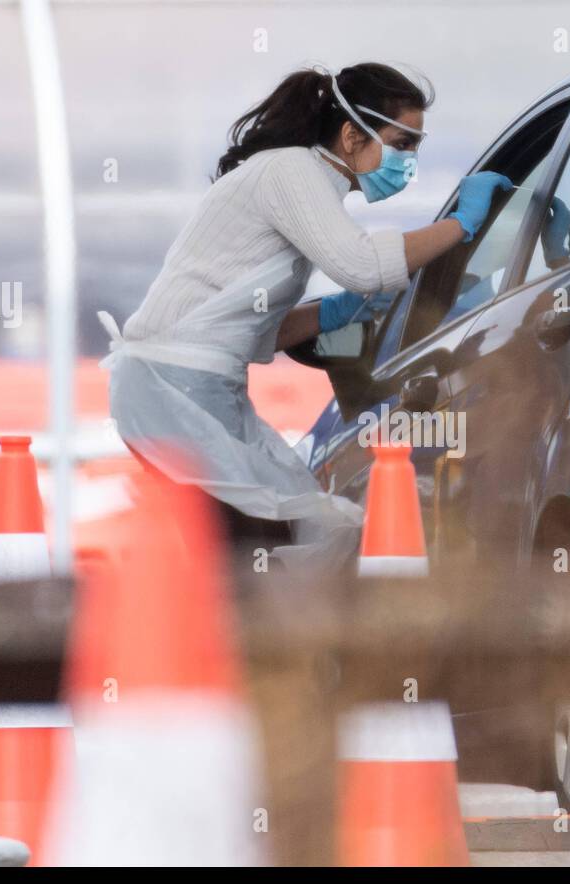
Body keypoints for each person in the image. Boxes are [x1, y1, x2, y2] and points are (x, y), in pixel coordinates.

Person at [98, 63, 512, 568]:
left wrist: (332, 314)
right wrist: (460, 225)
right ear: (349, 134)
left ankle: (248, 638)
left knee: (271, 538)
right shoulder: (292, 171)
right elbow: (361, 265)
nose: (409, 162)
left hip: (191, 387)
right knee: (278, 540)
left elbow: (254, 335)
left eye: (416, 148)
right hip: (173, 390)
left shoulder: (300, 181)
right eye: (402, 143)